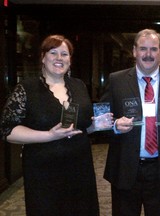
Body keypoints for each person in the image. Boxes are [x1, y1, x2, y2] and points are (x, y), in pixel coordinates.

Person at [0, 35, 107, 216]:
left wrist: (94, 127)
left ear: (70, 60)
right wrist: (49, 135)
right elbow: (7, 130)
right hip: (43, 170)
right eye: (53, 52)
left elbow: (79, 127)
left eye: (64, 54)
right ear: (43, 57)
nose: (59, 58)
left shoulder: (79, 86)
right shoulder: (26, 89)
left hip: (79, 167)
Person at [101, 29, 160, 216]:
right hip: (125, 167)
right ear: (134, 51)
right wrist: (114, 126)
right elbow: (101, 117)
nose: (148, 54)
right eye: (143, 49)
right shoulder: (116, 80)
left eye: (153, 49)